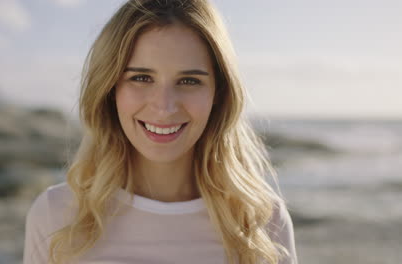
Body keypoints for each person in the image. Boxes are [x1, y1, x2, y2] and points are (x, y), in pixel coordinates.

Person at [23, 0, 298, 263]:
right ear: (110, 89)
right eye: (141, 78)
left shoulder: (264, 223)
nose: (164, 107)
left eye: (189, 80)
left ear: (219, 93)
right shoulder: (55, 215)